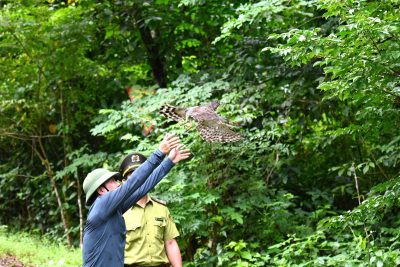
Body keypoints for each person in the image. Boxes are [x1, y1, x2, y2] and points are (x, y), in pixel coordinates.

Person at [82, 133, 190, 267]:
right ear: (101, 190)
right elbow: (133, 182)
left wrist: (170, 161)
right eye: (112, 181)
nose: (118, 184)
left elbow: (143, 188)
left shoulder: (113, 210)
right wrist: (159, 152)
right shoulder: (101, 206)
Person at [119, 152, 182, 267]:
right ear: (124, 181)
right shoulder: (119, 211)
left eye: (142, 175)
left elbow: (171, 243)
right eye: (133, 176)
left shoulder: (161, 209)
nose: (139, 180)